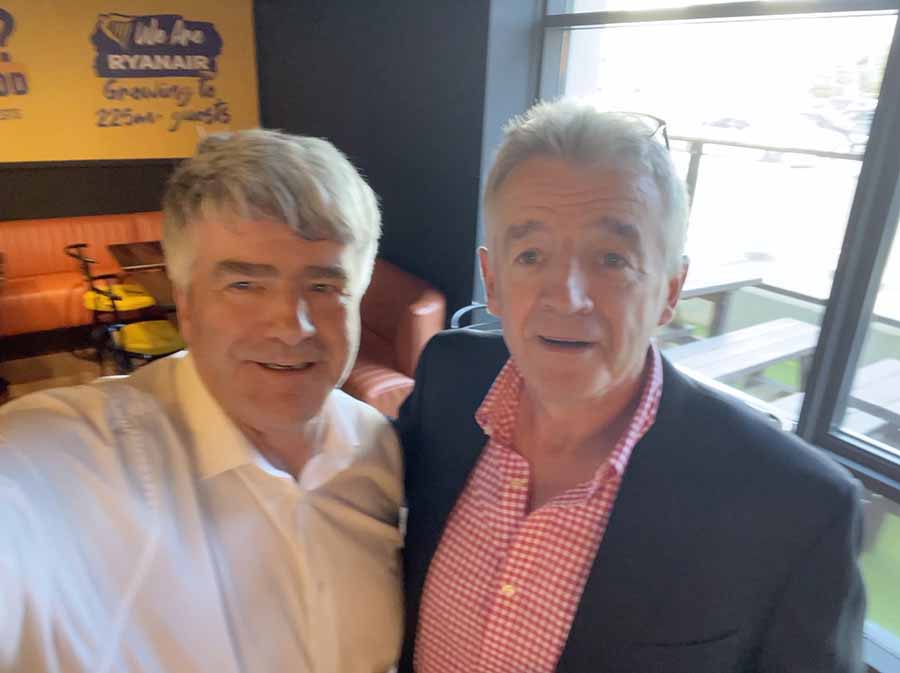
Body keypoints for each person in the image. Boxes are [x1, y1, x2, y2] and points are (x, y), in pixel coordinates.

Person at [397, 101, 865, 673]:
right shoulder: (448, 381)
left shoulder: (794, 508)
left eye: (612, 259)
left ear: (670, 291)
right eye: (531, 255)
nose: (567, 296)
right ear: (492, 281)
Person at [0, 130, 403, 673]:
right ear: (186, 305)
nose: (292, 327)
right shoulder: (73, 460)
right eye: (244, 285)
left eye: (324, 287)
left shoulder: (381, 450)